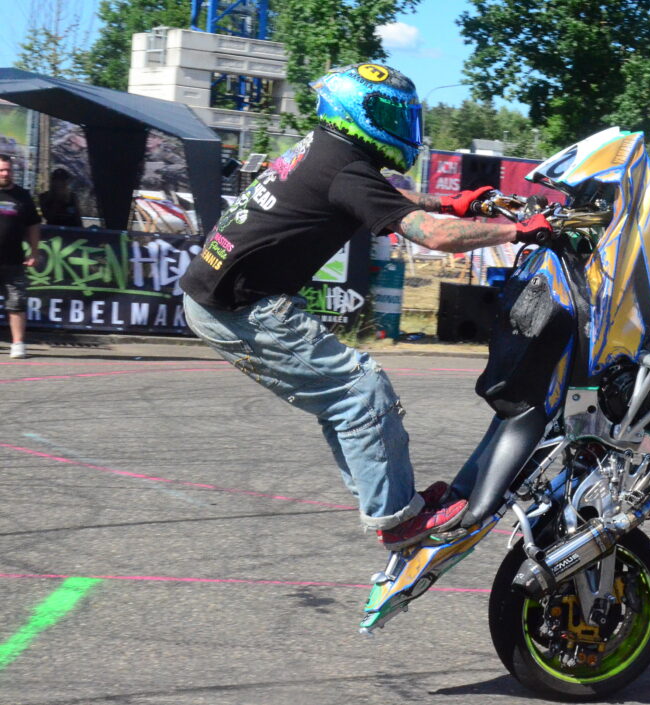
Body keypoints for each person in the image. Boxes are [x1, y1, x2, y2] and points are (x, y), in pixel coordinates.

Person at [180, 63, 553, 553]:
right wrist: (517, 230)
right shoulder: (343, 167)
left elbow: (389, 198)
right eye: (388, 113)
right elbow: (431, 237)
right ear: (356, 112)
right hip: (240, 307)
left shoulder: (327, 151)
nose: (403, 126)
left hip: (225, 296)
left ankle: (390, 505)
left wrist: (455, 203)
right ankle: (397, 519)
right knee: (360, 390)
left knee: (344, 399)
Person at [0, 154, 42, 359]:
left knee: (16, 303)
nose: (5, 173)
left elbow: (33, 225)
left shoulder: (22, 196)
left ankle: (18, 343)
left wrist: (34, 251)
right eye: (1, 170)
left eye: (8, 170)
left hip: (13, 260)